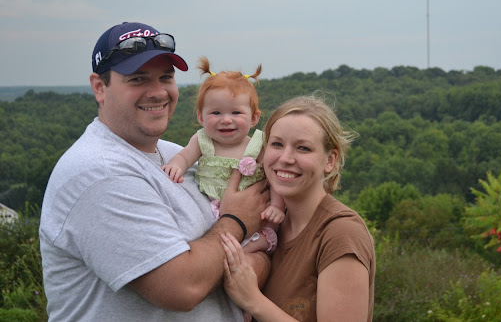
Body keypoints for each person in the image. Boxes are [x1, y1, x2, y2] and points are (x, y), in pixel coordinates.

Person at [39, 21, 270, 321]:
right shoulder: (99, 173)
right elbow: (181, 287)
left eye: (166, 77)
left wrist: (260, 261)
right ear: (99, 87)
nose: (158, 92)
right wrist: (239, 220)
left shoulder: (176, 154)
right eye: (138, 79)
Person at [220, 94, 376, 321]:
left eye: (303, 148)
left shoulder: (340, 234)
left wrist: (253, 300)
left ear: (330, 160)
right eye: (277, 144)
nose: (285, 158)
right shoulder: (268, 224)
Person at [162, 57, 285, 254]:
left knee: (257, 244)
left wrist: (277, 206)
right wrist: (176, 166)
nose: (226, 120)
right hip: (213, 215)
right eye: (216, 113)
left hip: (256, 217)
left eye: (236, 113)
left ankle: (245, 255)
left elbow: (274, 176)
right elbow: (184, 156)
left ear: (254, 118)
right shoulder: (202, 140)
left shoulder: (258, 145)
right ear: (201, 117)